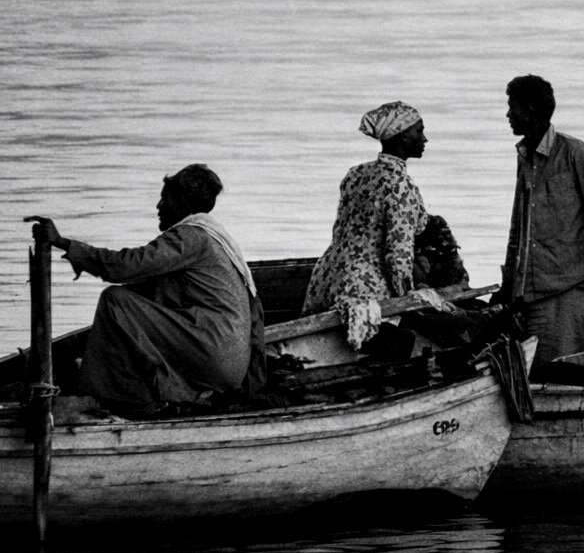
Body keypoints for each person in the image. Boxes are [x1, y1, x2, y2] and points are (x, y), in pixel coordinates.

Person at [25, 164, 264, 418]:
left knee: (114, 301)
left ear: (182, 202)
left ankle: (111, 395)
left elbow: (123, 267)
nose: (159, 206)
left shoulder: (190, 237)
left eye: (164, 198)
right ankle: (124, 386)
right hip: (229, 361)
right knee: (129, 300)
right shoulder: (213, 236)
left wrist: (63, 243)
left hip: (215, 357)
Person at [499, 74, 584, 365]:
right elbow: (518, 229)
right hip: (531, 295)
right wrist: (508, 285)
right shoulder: (524, 158)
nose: (509, 114)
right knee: (538, 376)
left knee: (571, 375)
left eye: (513, 106)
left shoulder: (574, 153)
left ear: (530, 109)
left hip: (570, 293)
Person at [304, 100, 448, 351]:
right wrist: (408, 298)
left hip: (327, 278)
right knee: (407, 338)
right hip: (363, 288)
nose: (425, 139)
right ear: (403, 136)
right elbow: (398, 253)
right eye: (419, 131)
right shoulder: (400, 185)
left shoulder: (355, 174)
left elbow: (342, 230)